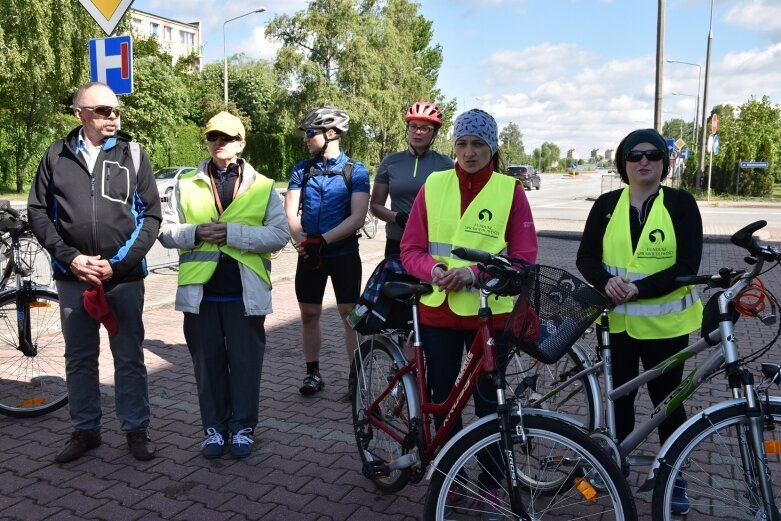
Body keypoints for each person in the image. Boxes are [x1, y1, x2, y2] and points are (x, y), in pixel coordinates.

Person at [401, 109, 537, 517]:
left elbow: (524, 258)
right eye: (462, 143)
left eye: (478, 144)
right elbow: (411, 250)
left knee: (489, 405)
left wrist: (475, 273)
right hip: (438, 313)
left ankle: (491, 484)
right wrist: (436, 270)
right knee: (442, 401)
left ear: (492, 147)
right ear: (454, 146)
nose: (469, 152)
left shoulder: (510, 190)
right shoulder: (434, 184)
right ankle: (452, 479)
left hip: (489, 316)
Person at [27, 81, 161, 463]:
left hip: (123, 278)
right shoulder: (56, 155)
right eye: (103, 111)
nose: (113, 117)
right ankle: (85, 430)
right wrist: (69, 258)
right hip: (73, 278)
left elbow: (151, 215)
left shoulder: (133, 154)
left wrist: (117, 264)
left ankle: (136, 429)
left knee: (129, 356)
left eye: (117, 110)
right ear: (80, 113)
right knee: (80, 357)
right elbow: (38, 211)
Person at [576, 128, 703, 515]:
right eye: (635, 155)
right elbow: (586, 258)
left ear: (664, 163)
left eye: (652, 155)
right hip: (616, 328)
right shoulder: (606, 205)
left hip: (666, 329)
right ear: (624, 162)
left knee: (669, 405)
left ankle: (673, 477)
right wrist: (605, 281)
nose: (643, 161)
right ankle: (616, 466)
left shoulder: (681, 204)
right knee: (621, 402)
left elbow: (687, 266)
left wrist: (638, 289)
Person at [158, 112, 289, 459]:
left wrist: (233, 233)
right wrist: (196, 232)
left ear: (241, 143)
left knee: (246, 364)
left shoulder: (263, 186)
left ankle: (243, 428)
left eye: (227, 138)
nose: (219, 143)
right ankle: (214, 428)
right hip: (200, 294)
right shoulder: (186, 184)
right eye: (213, 137)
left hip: (244, 293)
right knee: (207, 364)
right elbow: (166, 232)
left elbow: (280, 235)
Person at [285, 106, 370, 396]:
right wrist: (302, 240)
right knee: (309, 313)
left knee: (349, 314)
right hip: (310, 252)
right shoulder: (301, 169)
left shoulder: (355, 170)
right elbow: (291, 212)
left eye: (310, 132)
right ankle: (313, 373)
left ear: (331, 133)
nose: (306, 138)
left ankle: (355, 377)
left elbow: (357, 217)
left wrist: (323, 240)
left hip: (343, 252)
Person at [370, 102, 453, 257]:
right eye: (413, 126)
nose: (418, 132)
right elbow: (375, 206)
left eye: (425, 128)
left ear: (434, 133)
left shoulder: (445, 164)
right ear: (407, 129)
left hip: (432, 243)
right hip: (397, 241)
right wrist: (397, 217)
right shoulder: (390, 162)